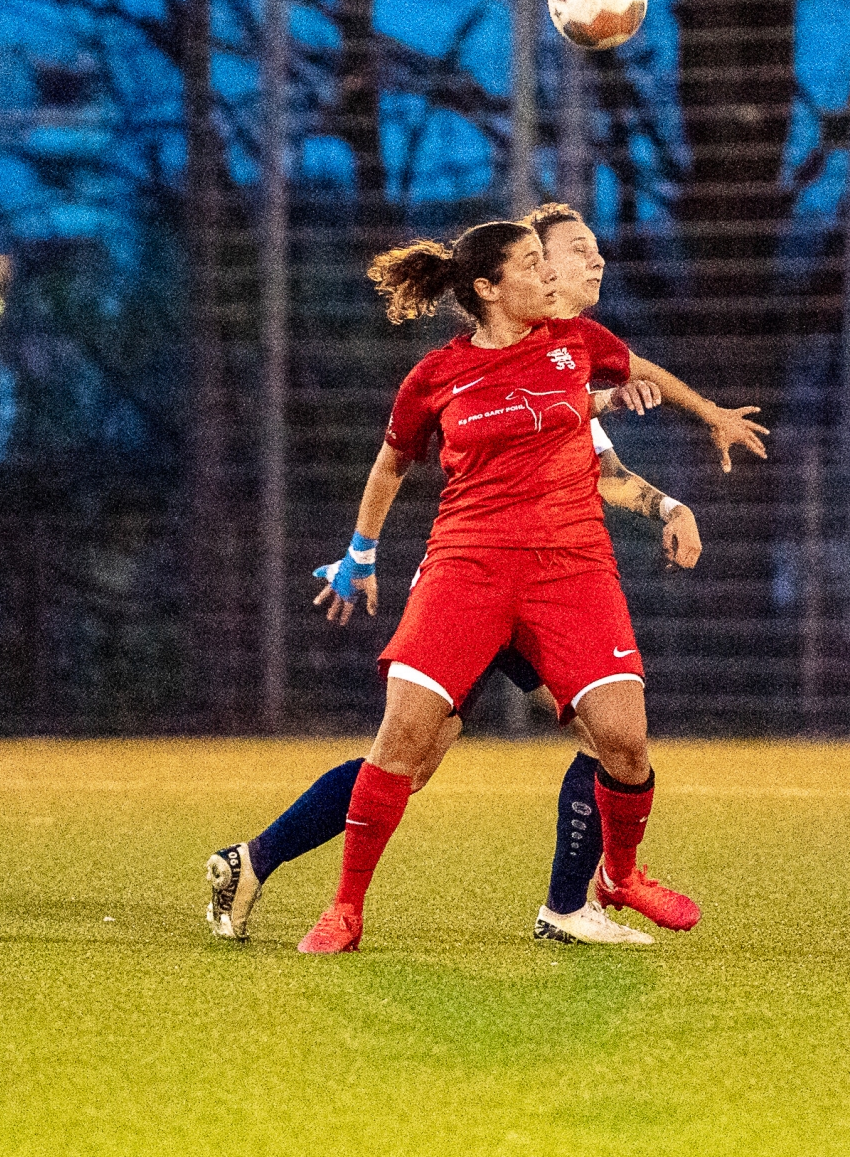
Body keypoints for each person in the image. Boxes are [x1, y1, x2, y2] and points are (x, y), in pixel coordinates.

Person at [205, 206, 761, 946]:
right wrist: (360, 552)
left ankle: (579, 899)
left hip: (557, 577)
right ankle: (312, 884)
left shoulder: (576, 354)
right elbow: (405, 458)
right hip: (471, 573)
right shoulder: (458, 370)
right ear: (500, 283)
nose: (589, 264)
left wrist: (676, 482)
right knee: (408, 754)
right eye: (568, 253)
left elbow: (602, 470)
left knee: (611, 739)